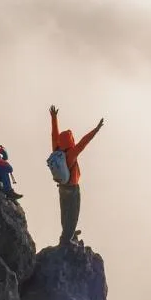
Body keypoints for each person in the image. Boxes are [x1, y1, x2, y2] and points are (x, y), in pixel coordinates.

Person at [50, 105, 103, 245]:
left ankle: (68, 233)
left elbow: (54, 134)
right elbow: (84, 142)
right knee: (73, 214)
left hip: (62, 187)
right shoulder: (71, 154)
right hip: (72, 188)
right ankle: (67, 239)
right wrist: (96, 130)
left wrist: (54, 117)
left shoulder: (56, 149)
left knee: (64, 212)